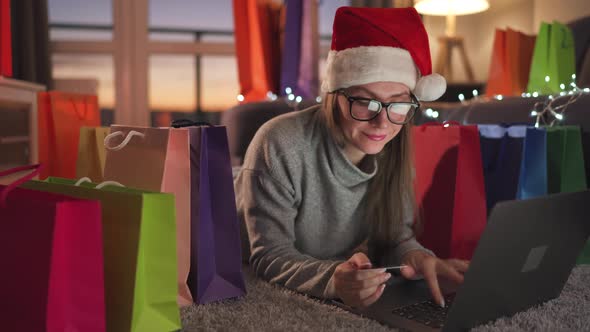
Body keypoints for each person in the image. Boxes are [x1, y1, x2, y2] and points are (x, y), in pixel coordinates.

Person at [235, 6, 469, 309]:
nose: (382, 123)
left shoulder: (394, 146)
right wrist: (333, 278)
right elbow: (268, 254)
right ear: (335, 96)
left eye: (397, 104)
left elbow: (394, 236)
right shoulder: (279, 141)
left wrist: (418, 257)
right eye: (365, 102)